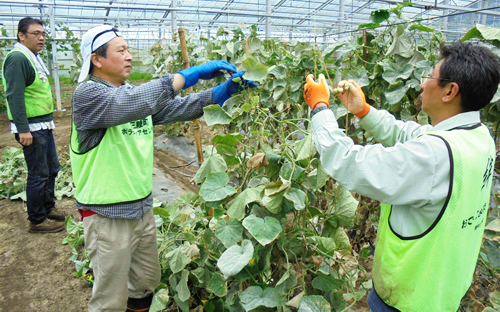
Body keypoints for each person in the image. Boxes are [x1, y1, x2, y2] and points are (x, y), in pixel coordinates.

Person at [70, 25, 256, 312]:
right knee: (109, 300)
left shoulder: (130, 96)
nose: (129, 56)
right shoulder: (88, 96)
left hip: (141, 208)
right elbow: (134, 102)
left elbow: (179, 108)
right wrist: (186, 75)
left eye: (129, 49)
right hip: (107, 215)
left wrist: (223, 91)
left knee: (145, 283)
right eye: (121, 51)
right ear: (97, 59)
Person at [304, 41, 498, 311]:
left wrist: (320, 109)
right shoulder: (478, 137)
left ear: (450, 91)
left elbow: (349, 162)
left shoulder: (434, 155)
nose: (421, 85)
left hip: (407, 300)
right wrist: (364, 111)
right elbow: (411, 135)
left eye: (428, 77)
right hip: (443, 291)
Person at [1, 17, 65, 233]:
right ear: (21, 36)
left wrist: (48, 121)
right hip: (31, 128)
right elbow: (14, 96)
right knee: (38, 173)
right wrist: (23, 129)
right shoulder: (17, 58)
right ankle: (37, 220)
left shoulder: (31, 57)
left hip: (42, 124)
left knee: (52, 168)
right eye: (36, 34)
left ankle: (47, 207)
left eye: (43, 34)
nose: (41, 38)